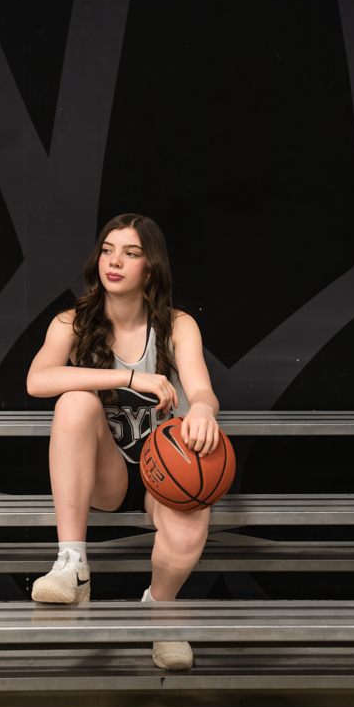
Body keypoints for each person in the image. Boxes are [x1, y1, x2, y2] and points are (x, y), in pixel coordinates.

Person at [26, 214, 220, 670]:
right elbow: (37, 380)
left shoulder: (177, 325)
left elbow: (202, 391)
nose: (114, 262)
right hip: (105, 474)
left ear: (149, 269)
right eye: (108, 250)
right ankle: (73, 563)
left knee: (190, 521)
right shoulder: (73, 322)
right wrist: (129, 377)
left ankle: (161, 611)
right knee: (74, 402)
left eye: (130, 253)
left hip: (164, 471)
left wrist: (204, 410)